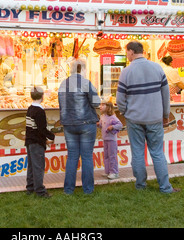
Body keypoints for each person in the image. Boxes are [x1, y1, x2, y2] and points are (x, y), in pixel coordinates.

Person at [116, 41, 180, 194]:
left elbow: (120, 99)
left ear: (131, 52)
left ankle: (140, 185)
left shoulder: (126, 71)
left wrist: (125, 112)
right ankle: (165, 187)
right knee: (157, 152)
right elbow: (166, 95)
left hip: (134, 119)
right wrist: (165, 114)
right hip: (155, 118)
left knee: (137, 152)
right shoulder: (157, 67)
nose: (127, 55)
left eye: (127, 52)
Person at [58, 59, 101, 194]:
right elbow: (96, 103)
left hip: (68, 124)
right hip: (86, 123)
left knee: (72, 157)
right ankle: (88, 189)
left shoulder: (63, 84)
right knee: (87, 157)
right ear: (82, 69)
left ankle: (68, 189)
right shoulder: (85, 83)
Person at [25, 86, 55, 198]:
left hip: (29, 140)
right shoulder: (40, 111)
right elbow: (42, 129)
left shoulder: (30, 108)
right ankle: (40, 190)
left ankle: (30, 187)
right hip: (37, 141)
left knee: (32, 165)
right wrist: (51, 136)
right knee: (38, 166)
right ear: (42, 97)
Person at [97, 99, 123, 179]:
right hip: (105, 139)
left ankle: (114, 172)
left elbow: (120, 125)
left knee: (112, 155)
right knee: (106, 156)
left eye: (102, 105)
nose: (100, 106)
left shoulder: (113, 117)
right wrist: (97, 124)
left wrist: (112, 127)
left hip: (112, 139)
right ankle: (108, 171)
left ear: (108, 107)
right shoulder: (102, 116)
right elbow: (101, 125)